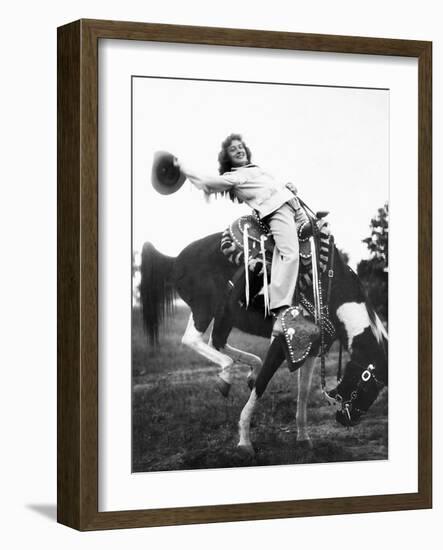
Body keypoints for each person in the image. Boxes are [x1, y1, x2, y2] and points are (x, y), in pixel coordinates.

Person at [175, 133, 309, 335]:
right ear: (228, 158)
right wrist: (182, 168)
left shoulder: (258, 170)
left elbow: (271, 188)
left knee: (315, 252)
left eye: (240, 146)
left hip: (296, 210)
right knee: (289, 255)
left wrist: (288, 189)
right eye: (233, 149)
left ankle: (314, 308)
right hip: (277, 211)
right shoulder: (234, 176)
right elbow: (205, 183)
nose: (239, 149)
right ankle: (281, 314)